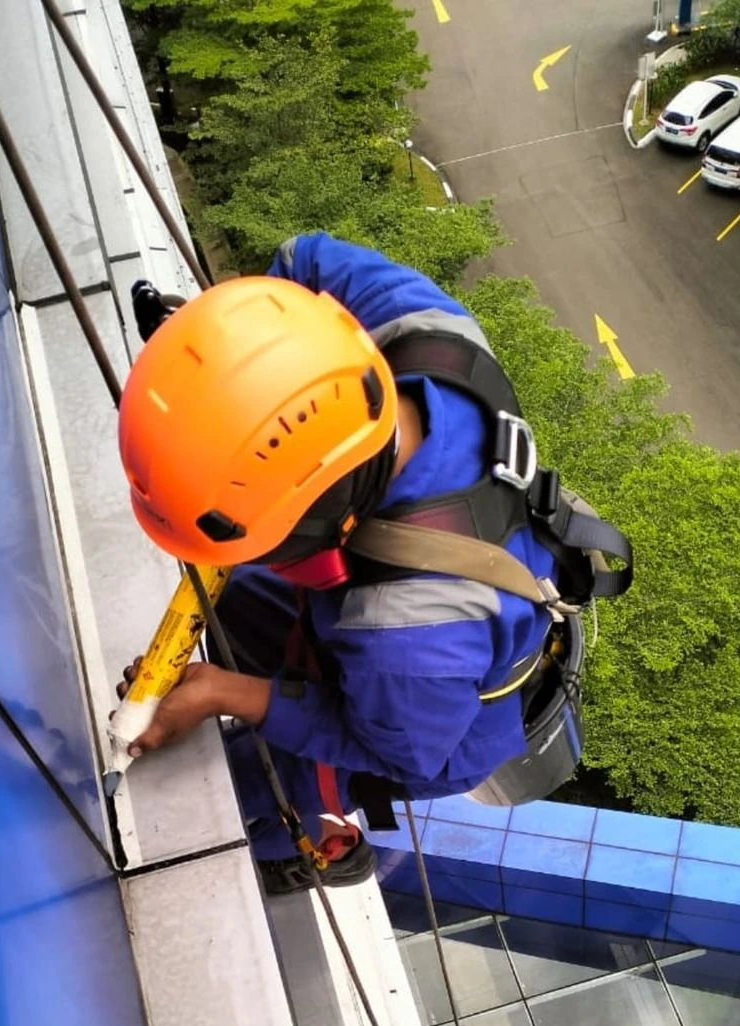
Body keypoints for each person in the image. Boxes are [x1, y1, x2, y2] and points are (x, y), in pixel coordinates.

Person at [116, 232, 563, 894]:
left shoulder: (408, 638)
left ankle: (286, 847)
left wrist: (224, 694)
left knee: (263, 784)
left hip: (439, 726)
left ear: (319, 532)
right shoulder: (424, 331)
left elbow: (393, 748)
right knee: (233, 605)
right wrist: (228, 368)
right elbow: (302, 262)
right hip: (429, 616)